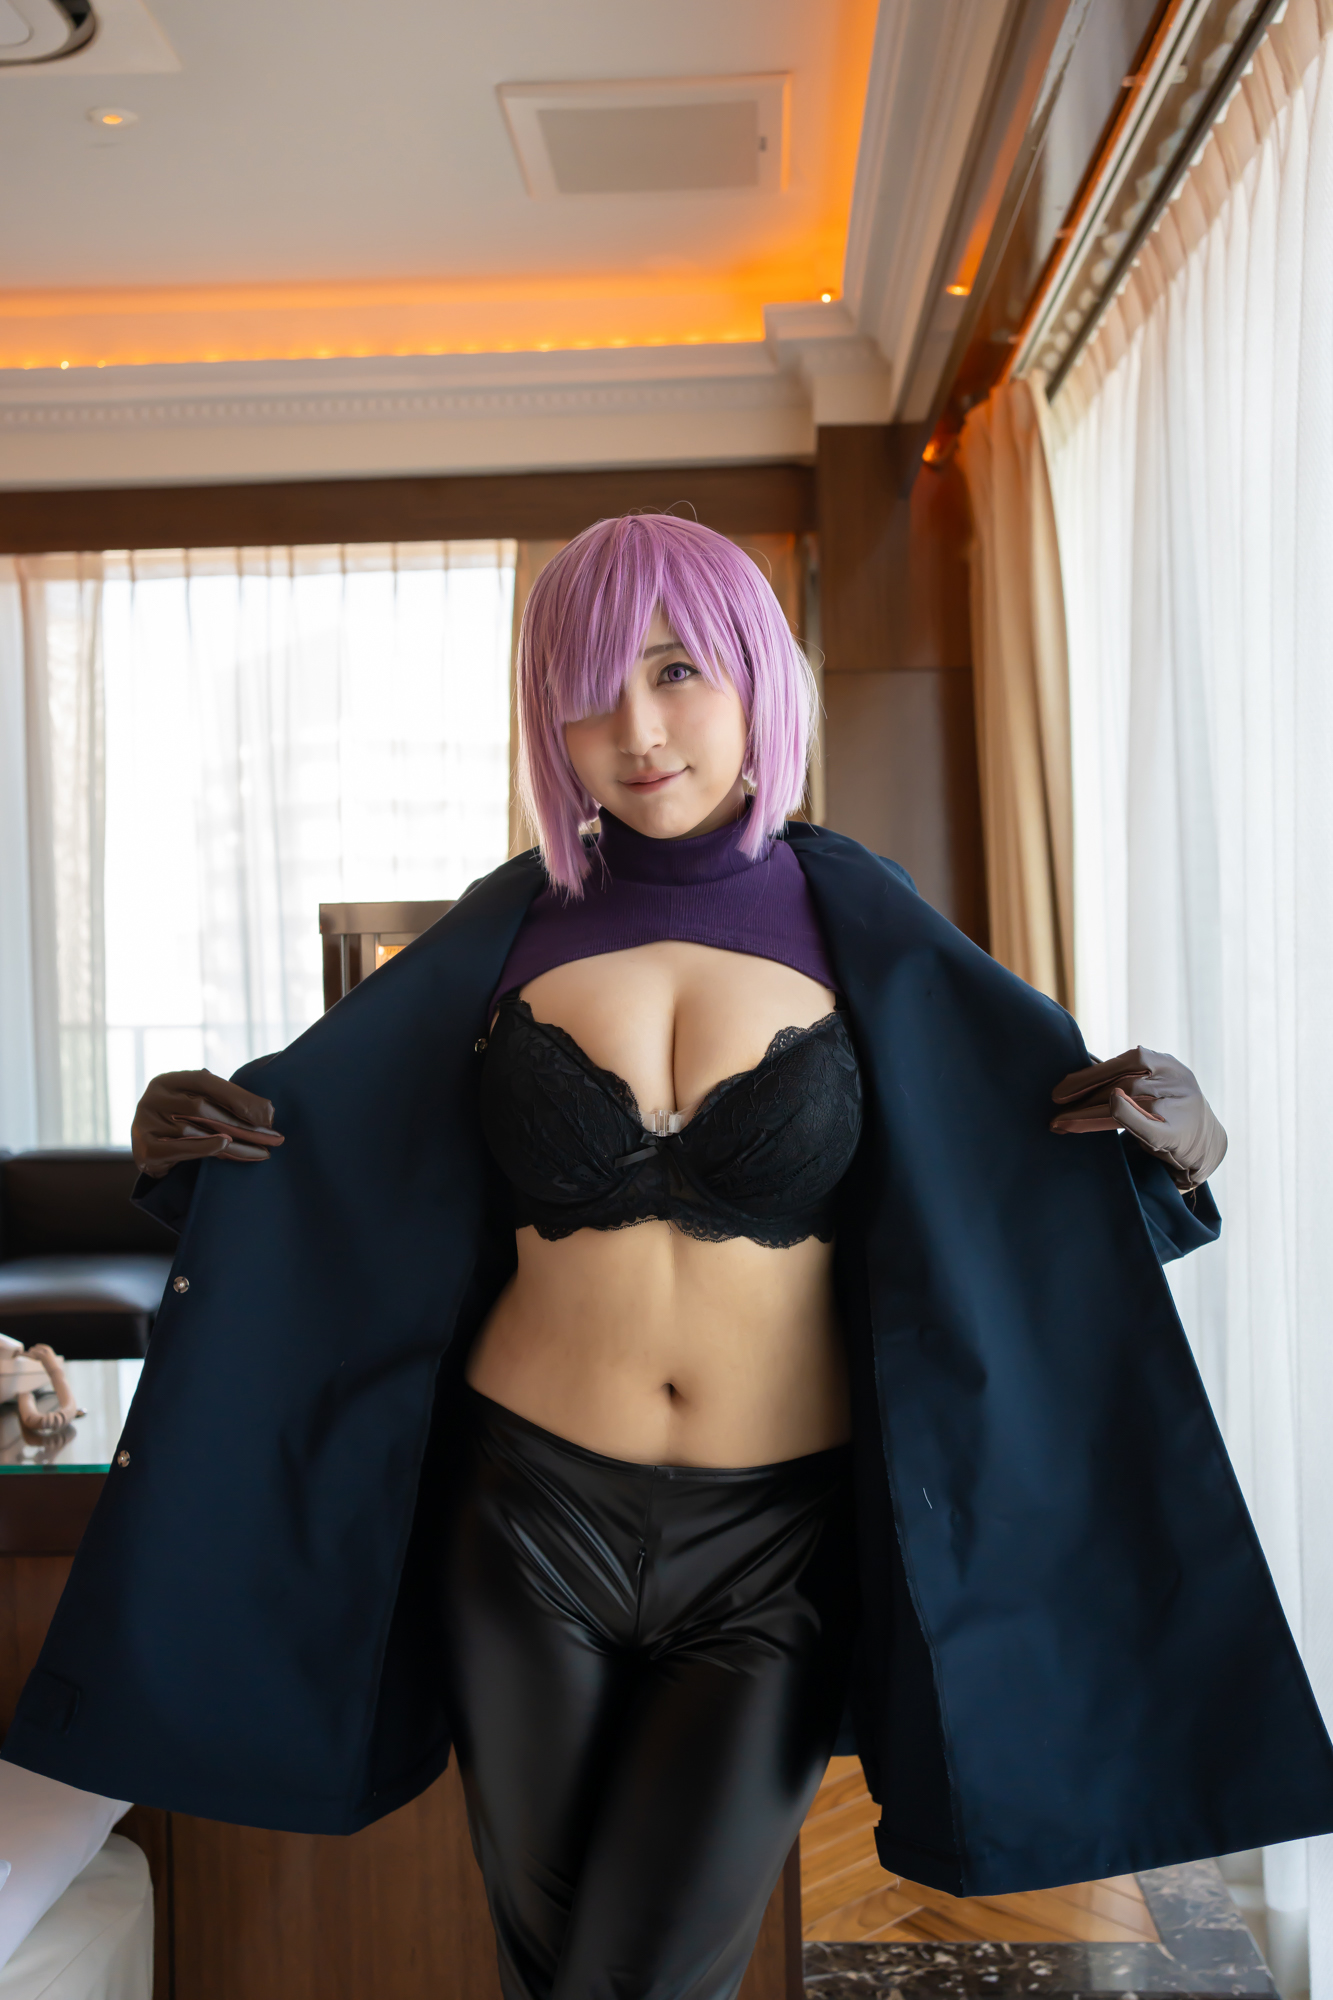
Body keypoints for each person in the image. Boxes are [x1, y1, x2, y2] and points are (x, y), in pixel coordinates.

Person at [2, 515, 1330, 1998]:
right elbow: (324, 1156)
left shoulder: (862, 922)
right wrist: (175, 1139)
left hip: (776, 1552)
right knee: (558, 1966)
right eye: (588, 689)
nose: (634, 729)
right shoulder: (505, 933)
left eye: (678, 671)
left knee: (637, 1976)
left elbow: (1029, 1164)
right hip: (522, 1522)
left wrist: (1191, 1139)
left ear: (759, 677)